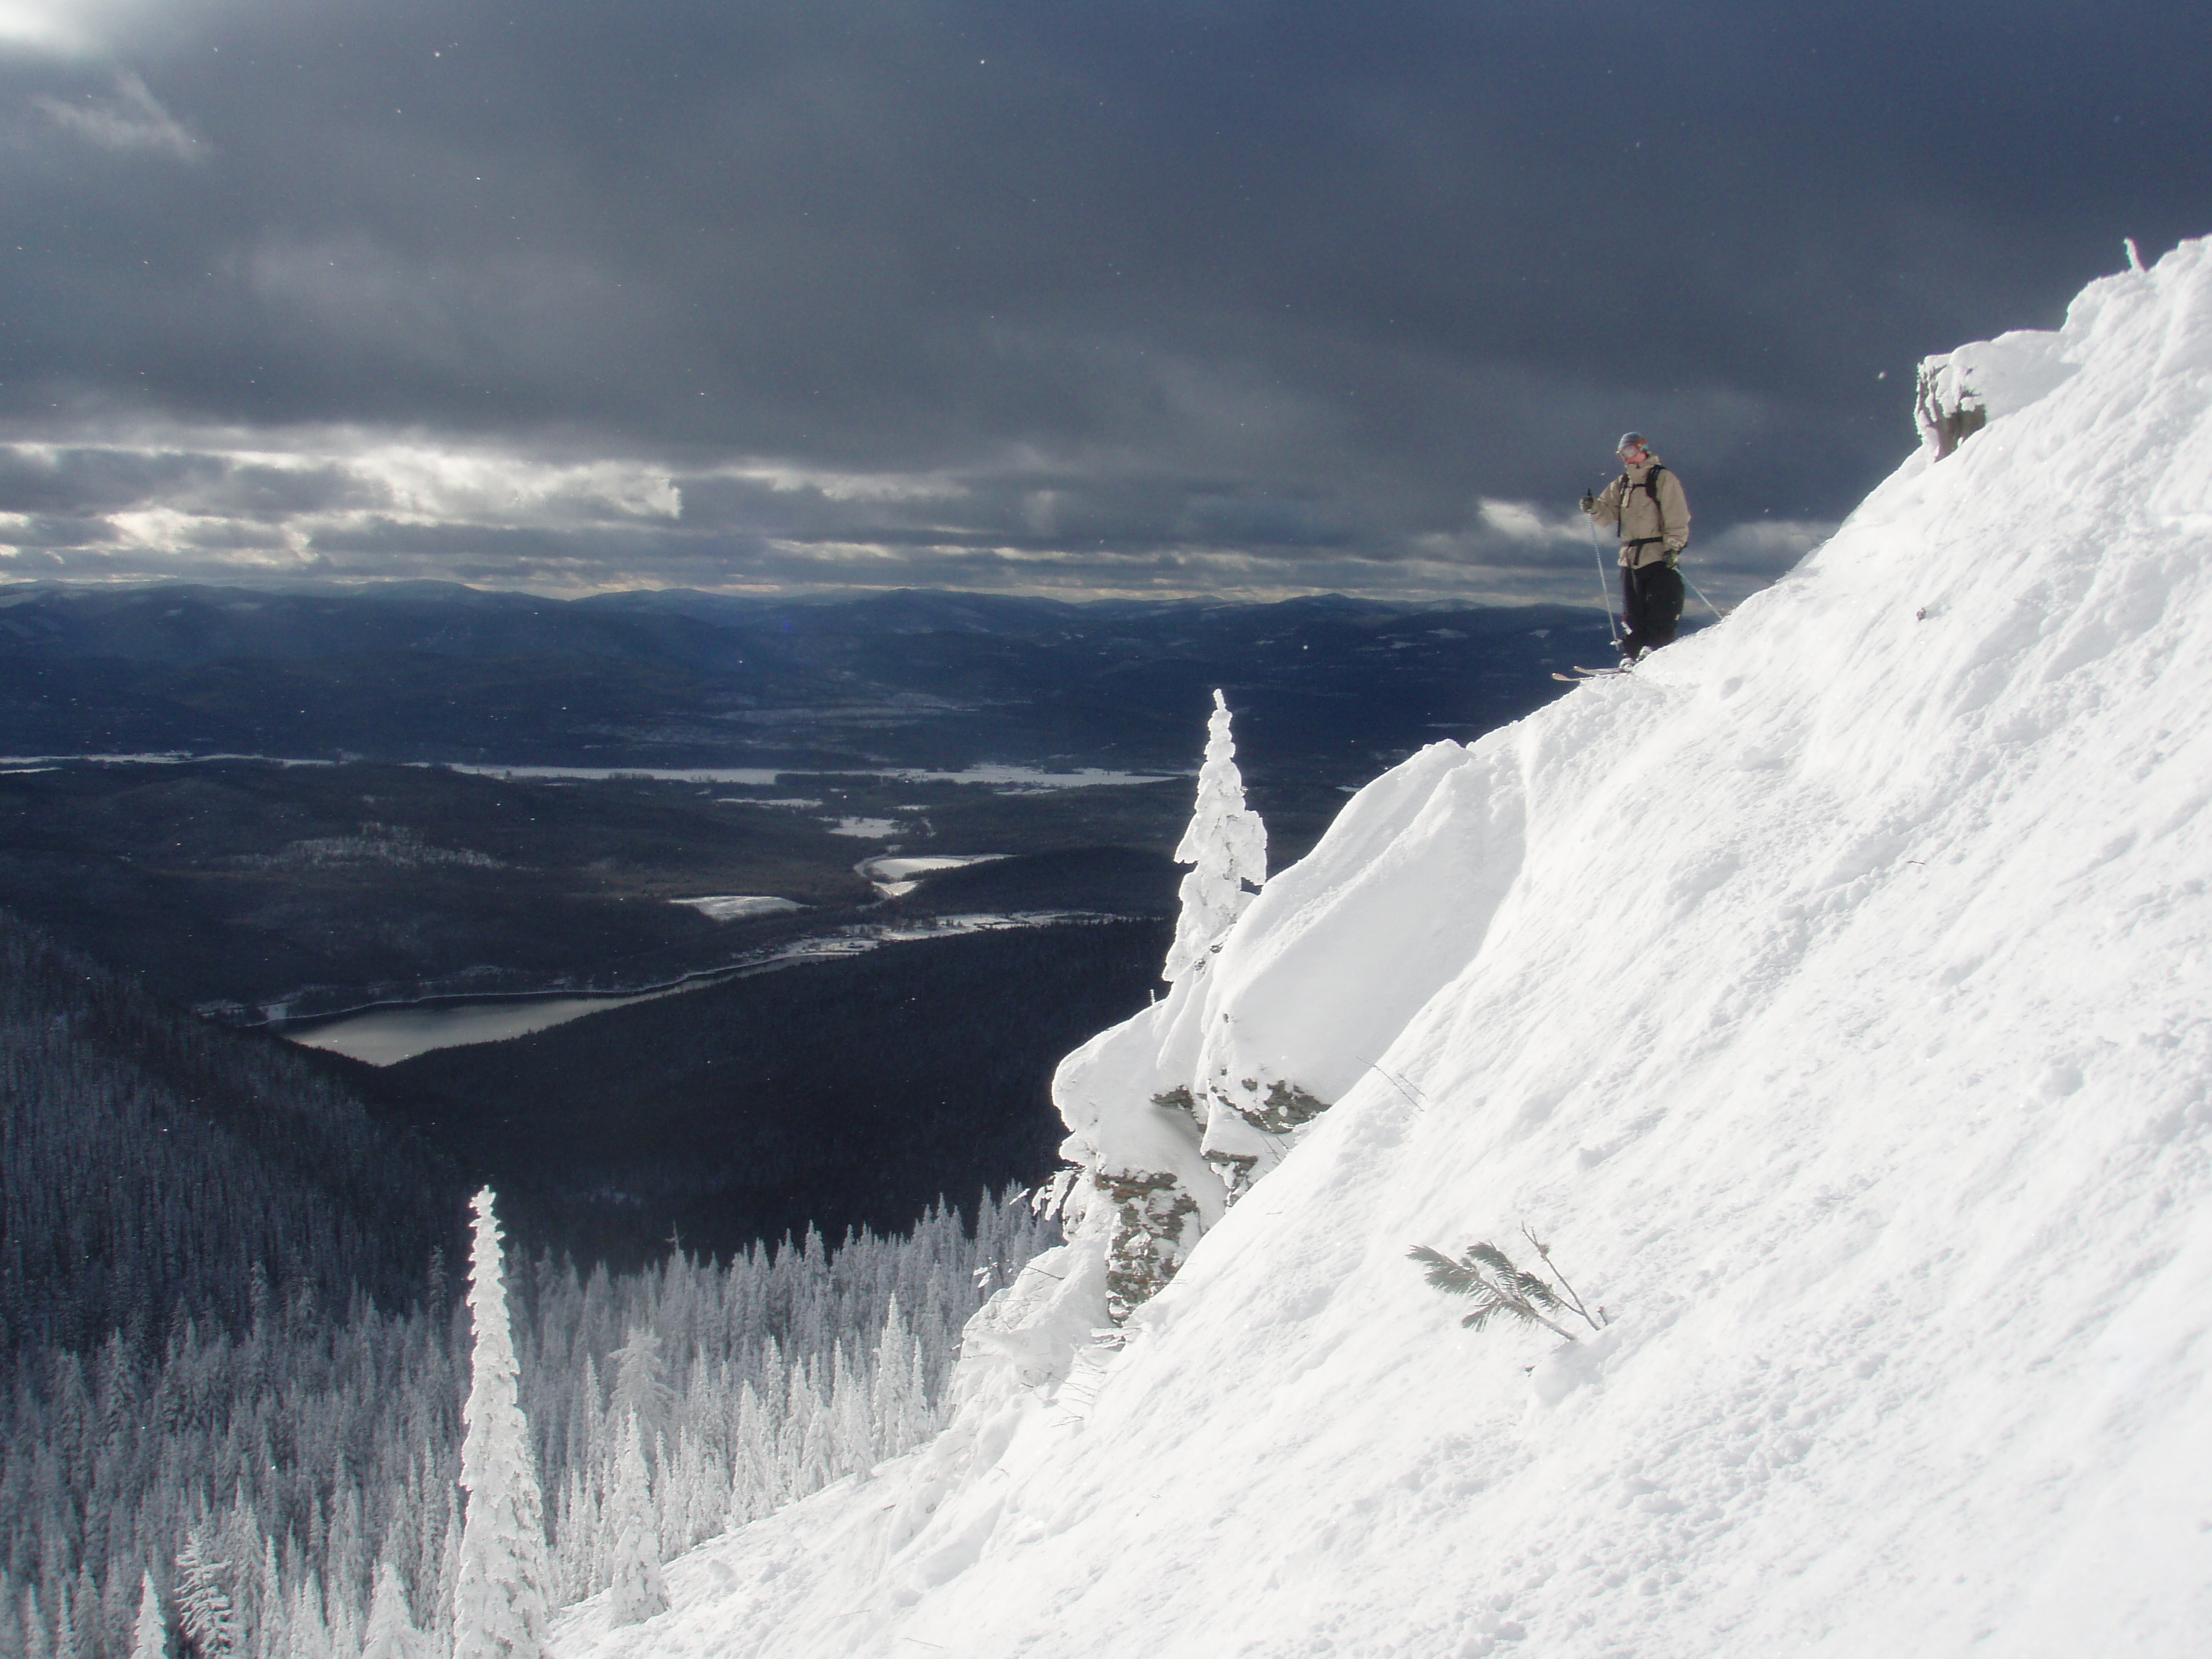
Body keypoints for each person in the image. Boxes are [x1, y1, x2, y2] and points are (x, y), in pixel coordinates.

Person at [1580, 432, 1690, 665]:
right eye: (1622, 455)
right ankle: (1634, 654)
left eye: (1629, 452)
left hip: (1658, 555)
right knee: (1633, 614)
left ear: (1643, 449)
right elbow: (1607, 516)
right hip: (1629, 559)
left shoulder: (1662, 479)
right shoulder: (1622, 484)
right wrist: (1594, 508)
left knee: (1661, 608)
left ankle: (1655, 651)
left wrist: (1673, 548)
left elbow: (1677, 516)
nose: (1626, 459)